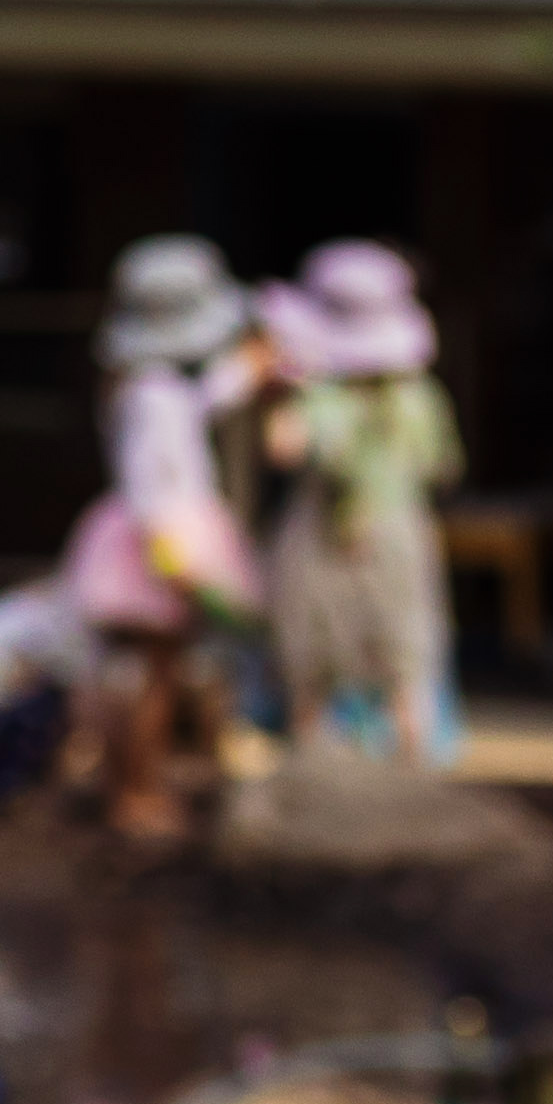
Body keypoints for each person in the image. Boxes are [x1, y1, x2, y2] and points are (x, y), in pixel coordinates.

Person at [61, 231, 266, 843]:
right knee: (151, 678)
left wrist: (242, 375)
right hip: (156, 547)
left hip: (156, 538)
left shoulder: (151, 387)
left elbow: (198, 405)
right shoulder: (152, 398)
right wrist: (172, 561)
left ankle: (132, 783)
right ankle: (136, 792)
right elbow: (151, 483)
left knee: (153, 674)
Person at [255, 239, 465, 764]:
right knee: (404, 664)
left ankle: (310, 776)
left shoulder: (321, 397)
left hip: (323, 542)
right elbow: (442, 467)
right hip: (399, 533)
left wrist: (282, 393)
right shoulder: (421, 395)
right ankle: (413, 775)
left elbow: (284, 448)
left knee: (314, 670)